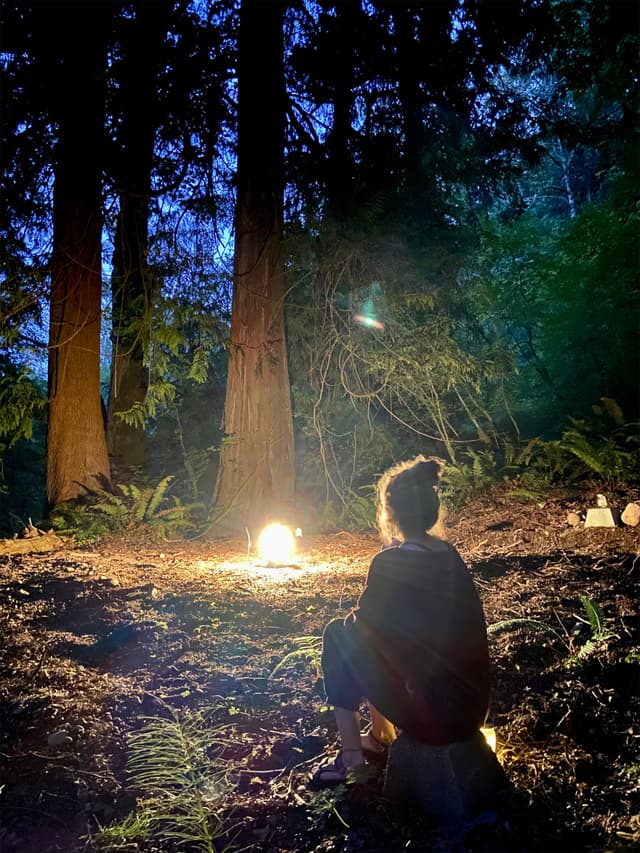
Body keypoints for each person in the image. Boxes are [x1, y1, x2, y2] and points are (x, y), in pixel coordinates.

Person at [310, 454, 490, 785]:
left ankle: (351, 759)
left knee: (338, 635)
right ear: (432, 510)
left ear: (391, 514)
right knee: (376, 641)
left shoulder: (390, 563)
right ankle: (380, 736)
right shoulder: (450, 556)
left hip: (436, 716)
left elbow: (359, 630)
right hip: (472, 706)